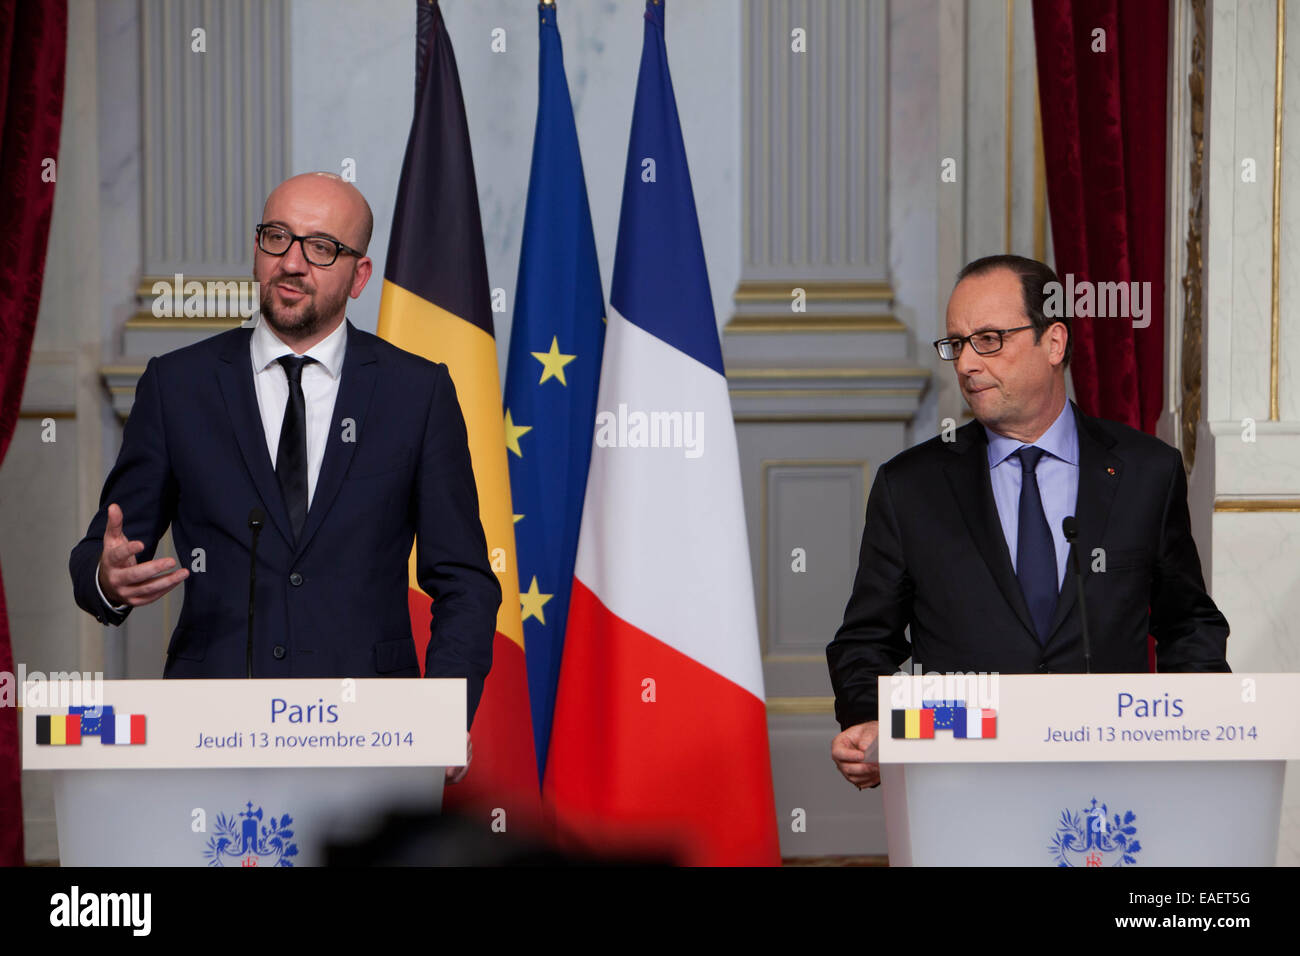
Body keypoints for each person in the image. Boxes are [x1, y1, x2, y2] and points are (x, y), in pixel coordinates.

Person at [69, 172, 500, 783]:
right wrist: (106, 577)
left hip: (371, 737)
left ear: (359, 276)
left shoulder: (416, 392)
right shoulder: (178, 386)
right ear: (256, 249)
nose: (292, 263)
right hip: (209, 736)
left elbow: (464, 581)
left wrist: (443, 711)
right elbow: (100, 555)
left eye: (321, 247)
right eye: (277, 238)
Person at [826, 254, 1230, 790]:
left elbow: (1188, 625)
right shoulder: (911, 487)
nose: (967, 363)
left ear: (1054, 342)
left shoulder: (1145, 472)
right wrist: (867, 718)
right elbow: (864, 641)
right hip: (963, 782)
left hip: (1111, 785)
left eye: (989, 339)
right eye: (956, 344)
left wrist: (1206, 737)